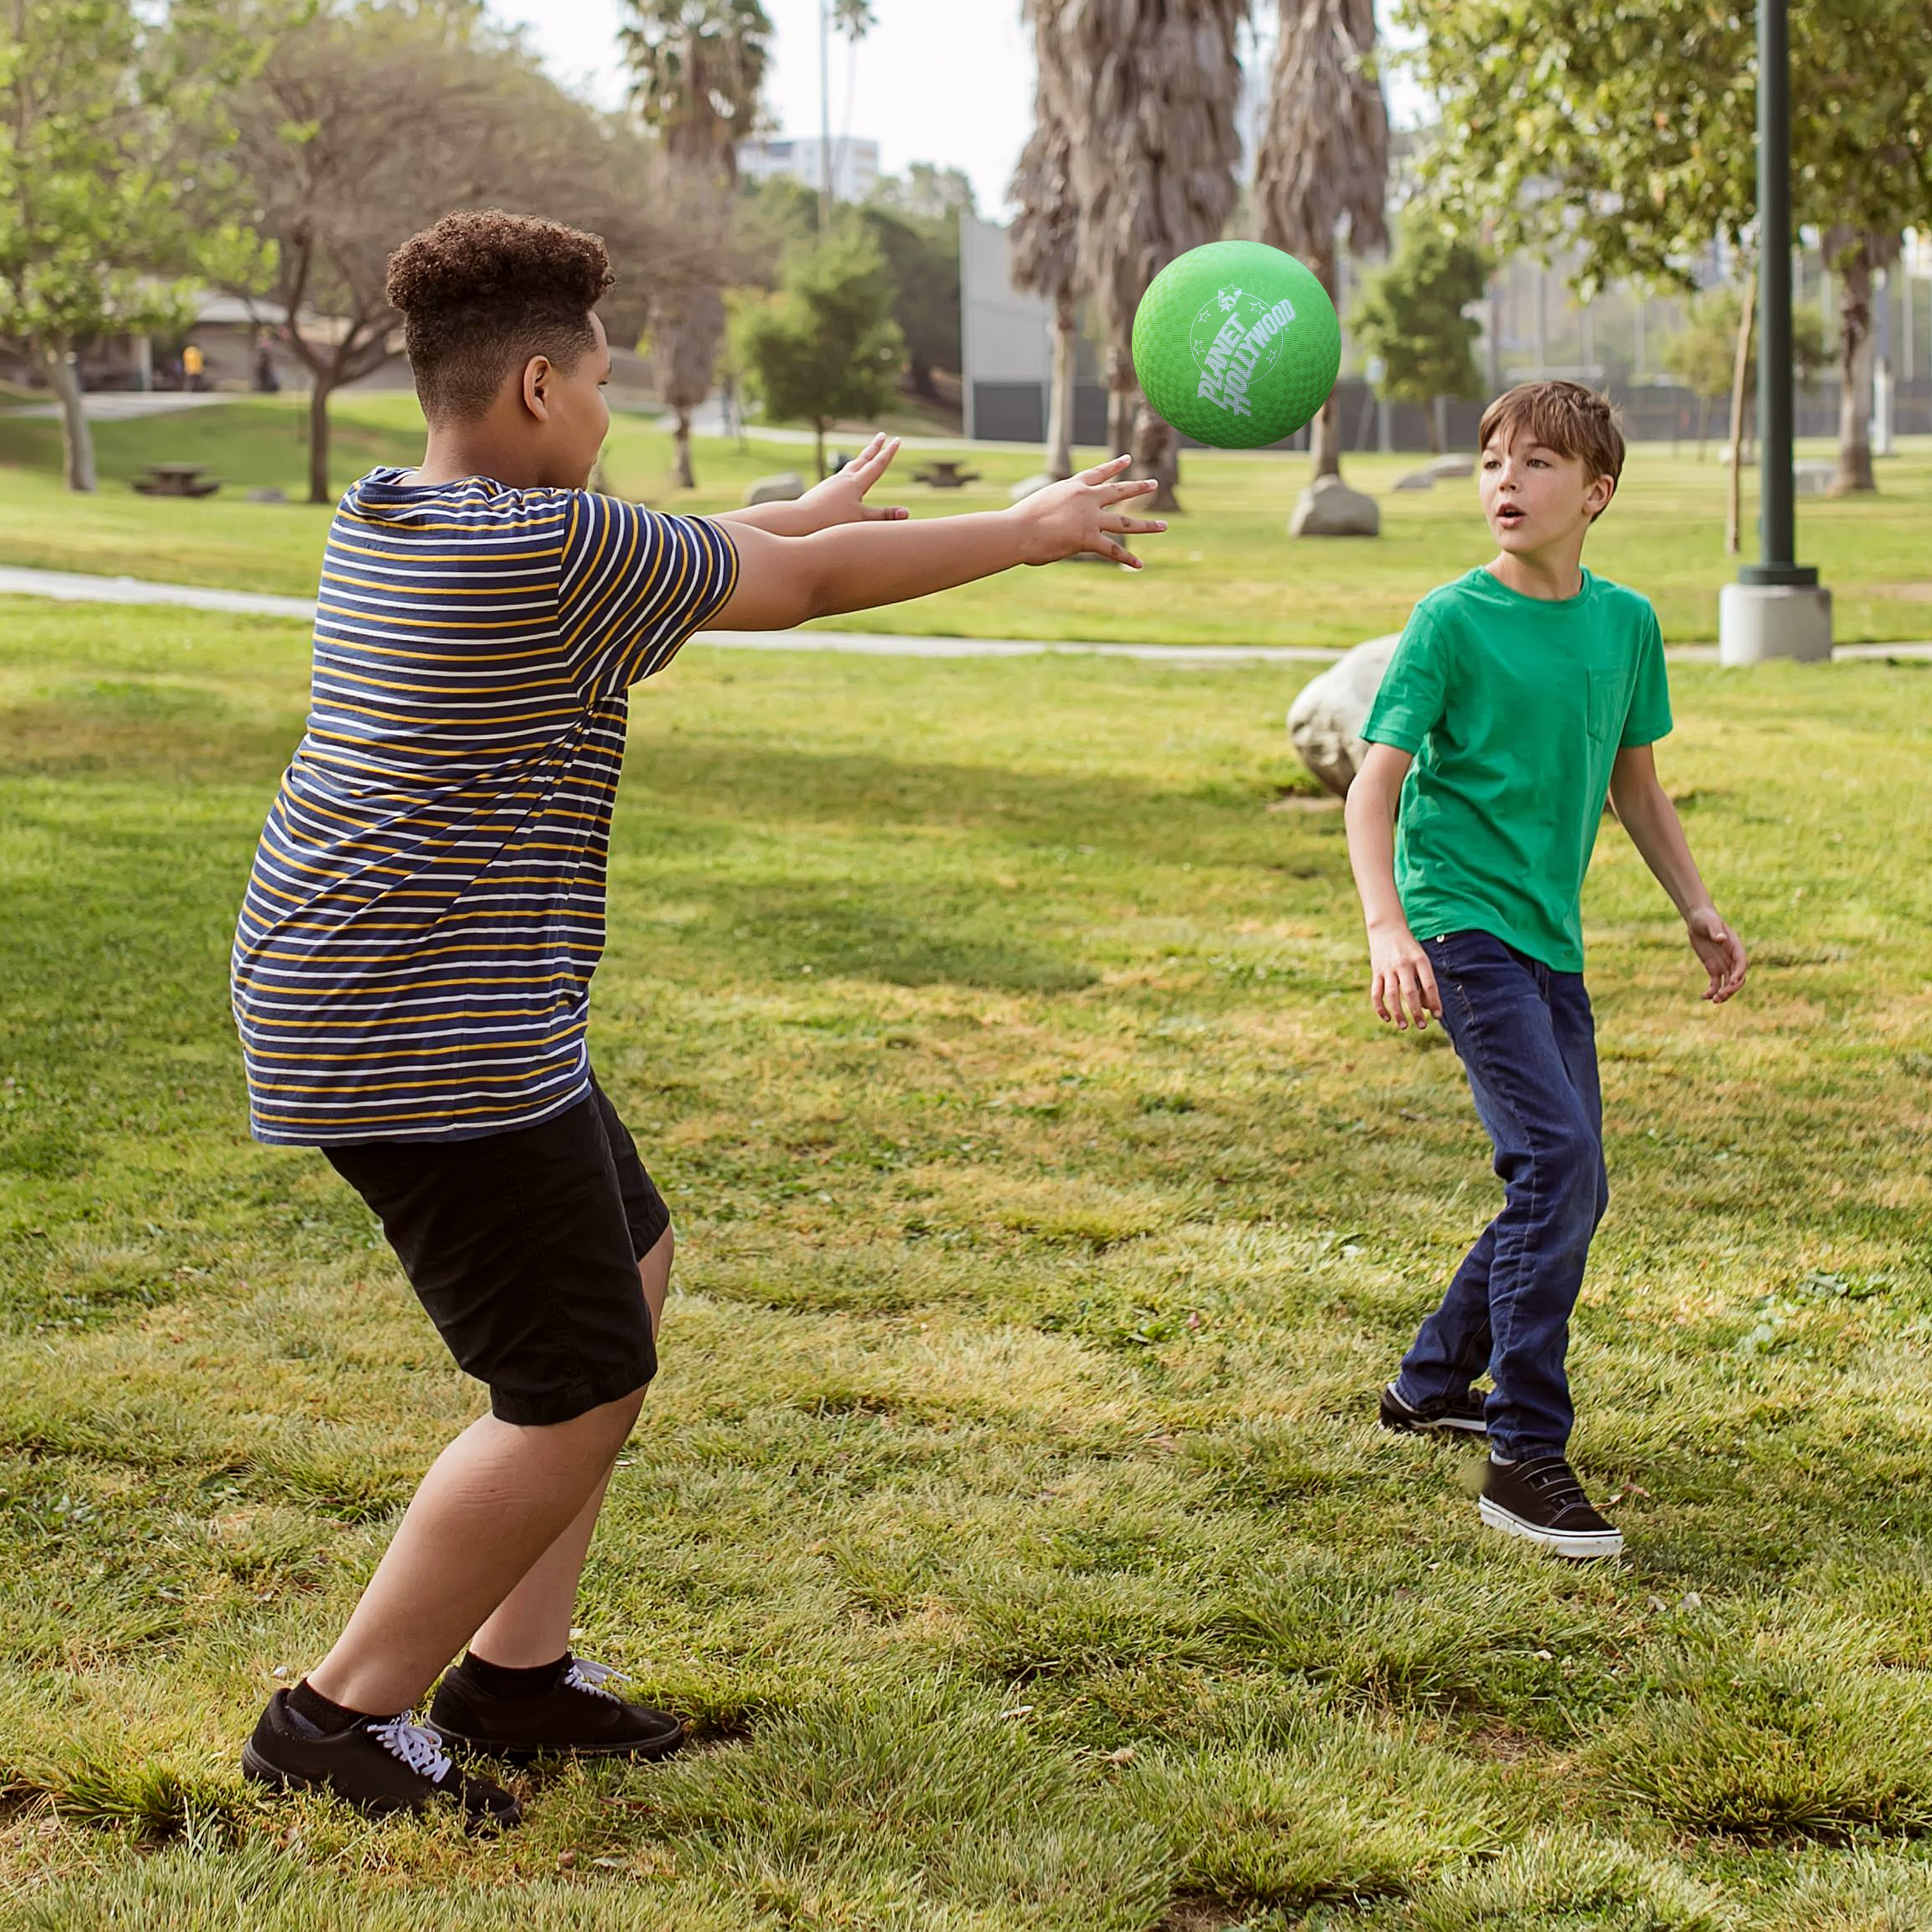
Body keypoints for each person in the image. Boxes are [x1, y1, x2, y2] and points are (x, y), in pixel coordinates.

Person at [230, 208, 1165, 1827]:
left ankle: (512, 1675)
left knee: (631, 1261)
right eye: (602, 385)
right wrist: (1022, 528)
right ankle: (334, 1713)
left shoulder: (394, 509)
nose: (613, 413)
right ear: (535, 385)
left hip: (419, 993)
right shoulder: (550, 548)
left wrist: (784, 513)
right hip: (416, 1023)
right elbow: (787, 588)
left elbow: (724, 546)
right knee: (572, 1380)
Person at [1344, 380, 1747, 1561]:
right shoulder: (1451, 621)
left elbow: (1636, 786)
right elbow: (1376, 785)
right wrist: (1387, 931)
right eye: (1490, 464)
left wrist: (1698, 906)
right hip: (1462, 928)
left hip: (1548, 939)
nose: (1504, 484)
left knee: (1570, 1182)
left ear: (1597, 493)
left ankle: (1426, 1386)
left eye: (1535, 466)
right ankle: (1524, 1455)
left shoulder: (1624, 626)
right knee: (1557, 1160)